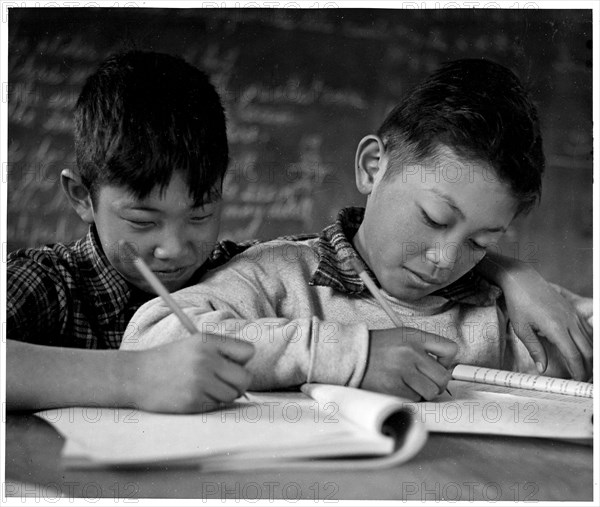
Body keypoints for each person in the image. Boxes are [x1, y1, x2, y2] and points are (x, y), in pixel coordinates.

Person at [6, 52, 591, 413]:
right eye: (142, 221)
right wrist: (133, 379)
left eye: (201, 214)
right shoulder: (47, 284)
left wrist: (508, 269)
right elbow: (156, 337)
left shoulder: (237, 263)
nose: (177, 248)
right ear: (81, 198)